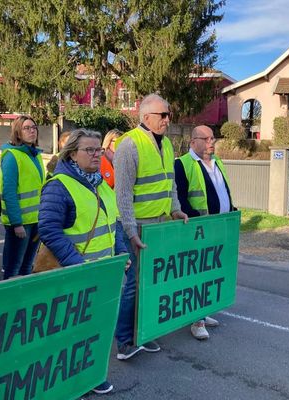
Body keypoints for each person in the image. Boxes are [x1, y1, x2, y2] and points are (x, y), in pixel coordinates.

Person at [38, 128, 130, 395]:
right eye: (89, 150)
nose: (96, 154)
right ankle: (66, 382)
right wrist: (76, 264)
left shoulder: (100, 182)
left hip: (102, 273)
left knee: (96, 328)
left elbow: (114, 223)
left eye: (98, 150)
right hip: (73, 275)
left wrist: (120, 253)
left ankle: (92, 374)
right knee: (70, 332)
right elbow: (49, 229)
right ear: (72, 154)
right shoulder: (59, 186)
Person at [113, 93, 188, 360]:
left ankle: (142, 332)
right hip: (136, 228)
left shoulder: (167, 144)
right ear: (146, 117)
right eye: (163, 115)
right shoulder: (129, 145)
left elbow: (171, 183)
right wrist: (131, 232)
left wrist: (176, 208)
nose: (168, 120)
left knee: (151, 283)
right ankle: (123, 341)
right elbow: (122, 195)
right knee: (133, 284)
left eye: (169, 114)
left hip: (158, 225)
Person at [174, 125, 236, 340]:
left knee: (210, 272)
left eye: (213, 138)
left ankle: (202, 310)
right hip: (197, 229)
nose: (212, 142)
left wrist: (231, 209)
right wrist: (196, 219)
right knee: (197, 273)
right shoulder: (182, 164)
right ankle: (196, 320)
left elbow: (223, 190)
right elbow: (179, 199)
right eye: (206, 138)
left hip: (219, 227)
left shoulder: (217, 162)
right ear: (193, 142)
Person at [0, 115, 45, 279]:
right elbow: (8, 192)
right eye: (27, 128)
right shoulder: (12, 156)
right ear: (18, 133)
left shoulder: (35, 154)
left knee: (27, 266)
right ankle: (9, 302)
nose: (32, 131)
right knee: (13, 268)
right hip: (20, 223)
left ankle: (23, 302)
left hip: (35, 220)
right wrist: (16, 223)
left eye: (34, 127)